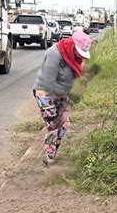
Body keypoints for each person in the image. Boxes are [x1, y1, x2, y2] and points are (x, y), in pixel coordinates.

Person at [33, 31, 92, 165]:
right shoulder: (54, 54)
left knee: (64, 124)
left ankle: (53, 152)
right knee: (53, 126)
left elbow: (74, 73)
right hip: (45, 93)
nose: (79, 56)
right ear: (72, 46)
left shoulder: (73, 56)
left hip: (61, 94)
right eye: (79, 52)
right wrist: (65, 94)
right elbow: (49, 83)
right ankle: (49, 158)